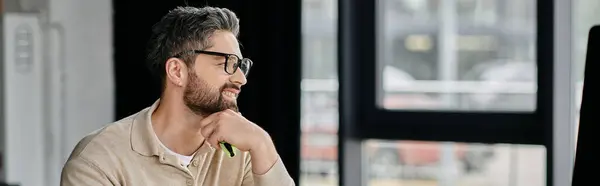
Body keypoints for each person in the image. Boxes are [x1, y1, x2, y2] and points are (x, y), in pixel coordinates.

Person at [60, 6, 295, 186]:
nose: (241, 79)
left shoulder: (242, 150)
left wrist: (262, 144)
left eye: (240, 65)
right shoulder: (99, 159)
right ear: (176, 71)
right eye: (227, 63)